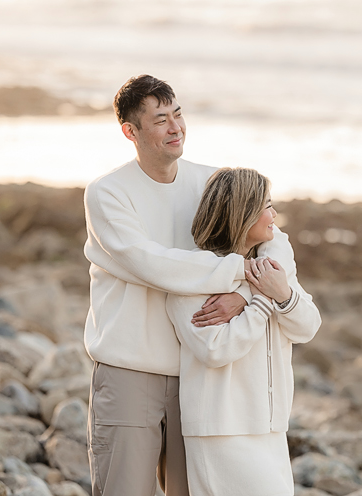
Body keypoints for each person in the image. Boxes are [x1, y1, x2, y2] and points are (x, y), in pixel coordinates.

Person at [83, 75, 309, 496]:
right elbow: (152, 264)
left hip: (200, 377)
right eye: (160, 120)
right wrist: (244, 274)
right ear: (130, 132)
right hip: (131, 369)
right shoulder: (108, 193)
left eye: (178, 114)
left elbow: (275, 240)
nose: (176, 128)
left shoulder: (209, 181)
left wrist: (244, 293)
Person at [166, 167, 321, 496]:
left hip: (271, 426)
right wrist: (262, 299)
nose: (274, 215)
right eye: (267, 206)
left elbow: (308, 327)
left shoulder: (270, 271)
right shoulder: (193, 277)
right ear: (243, 213)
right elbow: (216, 350)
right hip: (222, 431)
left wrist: (280, 294)